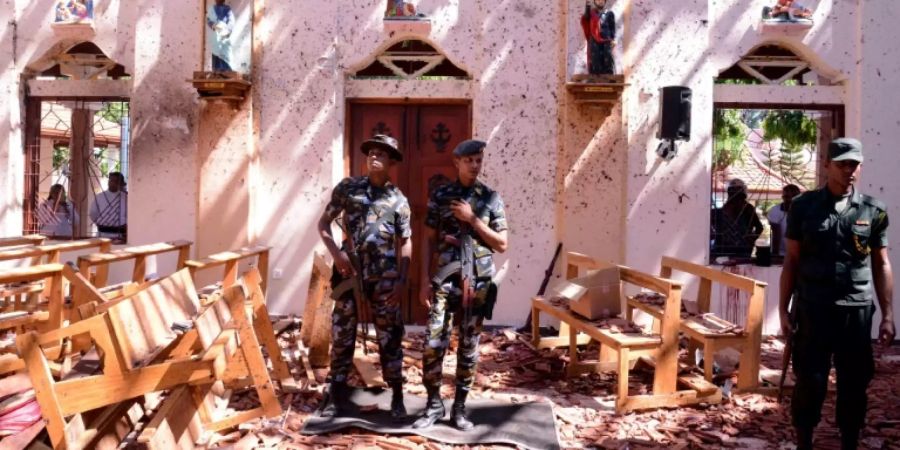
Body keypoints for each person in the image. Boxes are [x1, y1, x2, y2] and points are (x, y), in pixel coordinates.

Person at [779, 138, 894, 450]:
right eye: (842, 163)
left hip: (855, 312)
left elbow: (881, 262)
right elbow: (791, 261)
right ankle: (804, 440)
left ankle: (849, 442)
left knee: (854, 384)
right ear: (827, 165)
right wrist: (783, 311)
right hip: (813, 310)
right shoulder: (803, 207)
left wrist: (888, 316)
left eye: (853, 164)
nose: (848, 170)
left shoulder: (874, 210)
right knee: (810, 381)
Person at [413, 139, 509, 430]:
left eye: (479, 159)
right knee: (432, 344)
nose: (475, 165)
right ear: (457, 162)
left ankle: (460, 408)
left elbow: (502, 243)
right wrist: (423, 282)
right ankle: (432, 404)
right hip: (444, 281)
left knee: (469, 347)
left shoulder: (491, 198)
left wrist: (473, 219)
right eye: (469, 160)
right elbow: (427, 240)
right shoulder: (441, 195)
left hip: (476, 284)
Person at [316, 134, 412, 420]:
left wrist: (402, 281)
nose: (374, 156)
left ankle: (396, 394)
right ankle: (335, 393)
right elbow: (323, 224)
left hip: (385, 279)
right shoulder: (348, 188)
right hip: (349, 272)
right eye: (370, 152)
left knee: (390, 336)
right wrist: (337, 254)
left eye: (381, 154)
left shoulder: (398, 199)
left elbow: (405, 241)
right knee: (342, 333)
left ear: (392, 162)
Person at [711, 178, 764, 259]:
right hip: (723, 250)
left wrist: (751, 239)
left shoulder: (748, 208)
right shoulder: (719, 212)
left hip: (742, 251)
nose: (735, 194)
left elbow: (759, 227)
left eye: (738, 191)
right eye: (733, 191)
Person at [581, 0, 616, 76]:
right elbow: (586, 18)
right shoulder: (591, 14)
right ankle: (595, 75)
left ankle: (608, 74)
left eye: (602, 0)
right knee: (595, 57)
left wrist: (613, 39)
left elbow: (612, 28)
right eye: (598, 0)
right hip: (594, 39)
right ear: (595, 2)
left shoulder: (610, 14)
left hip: (607, 39)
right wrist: (587, 6)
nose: (600, 1)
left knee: (607, 56)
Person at [90, 172, 127, 242]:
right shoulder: (100, 197)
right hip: (102, 233)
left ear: (120, 183)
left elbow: (129, 215)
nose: (113, 183)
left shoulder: (125, 198)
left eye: (116, 181)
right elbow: (93, 213)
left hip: (119, 235)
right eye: (111, 180)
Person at [767, 184, 802, 257]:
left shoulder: (804, 211)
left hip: (799, 253)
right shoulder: (775, 210)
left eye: (792, 197)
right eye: (786, 197)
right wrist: (775, 254)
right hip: (780, 252)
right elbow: (776, 234)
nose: (789, 200)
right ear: (783, 197)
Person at [206, 0, 235, 72]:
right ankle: (216, 70)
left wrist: (228, 30)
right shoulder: (211, 9)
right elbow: (208, 20)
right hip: (215, 35)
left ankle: (226, 70)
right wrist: (214, 26)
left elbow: (231, 21)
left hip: (224, 35)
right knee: (216, 52)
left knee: (225, 52)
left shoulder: (227, 9)